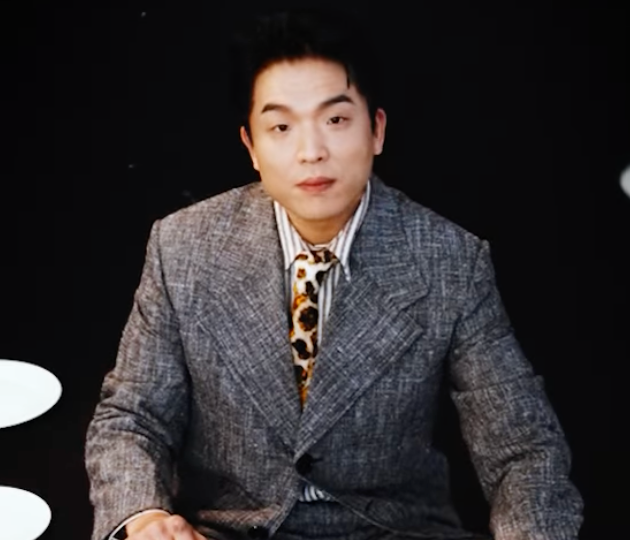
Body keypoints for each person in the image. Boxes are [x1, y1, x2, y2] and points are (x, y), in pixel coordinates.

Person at [85, 8, 583, 540]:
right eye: (281, 127)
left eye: (336, 120)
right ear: (251, 147)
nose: (311, 152)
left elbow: (522, 448)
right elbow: (132, 417)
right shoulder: (184, 246)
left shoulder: (450, 261)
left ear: (377, 130)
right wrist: (144, 518)